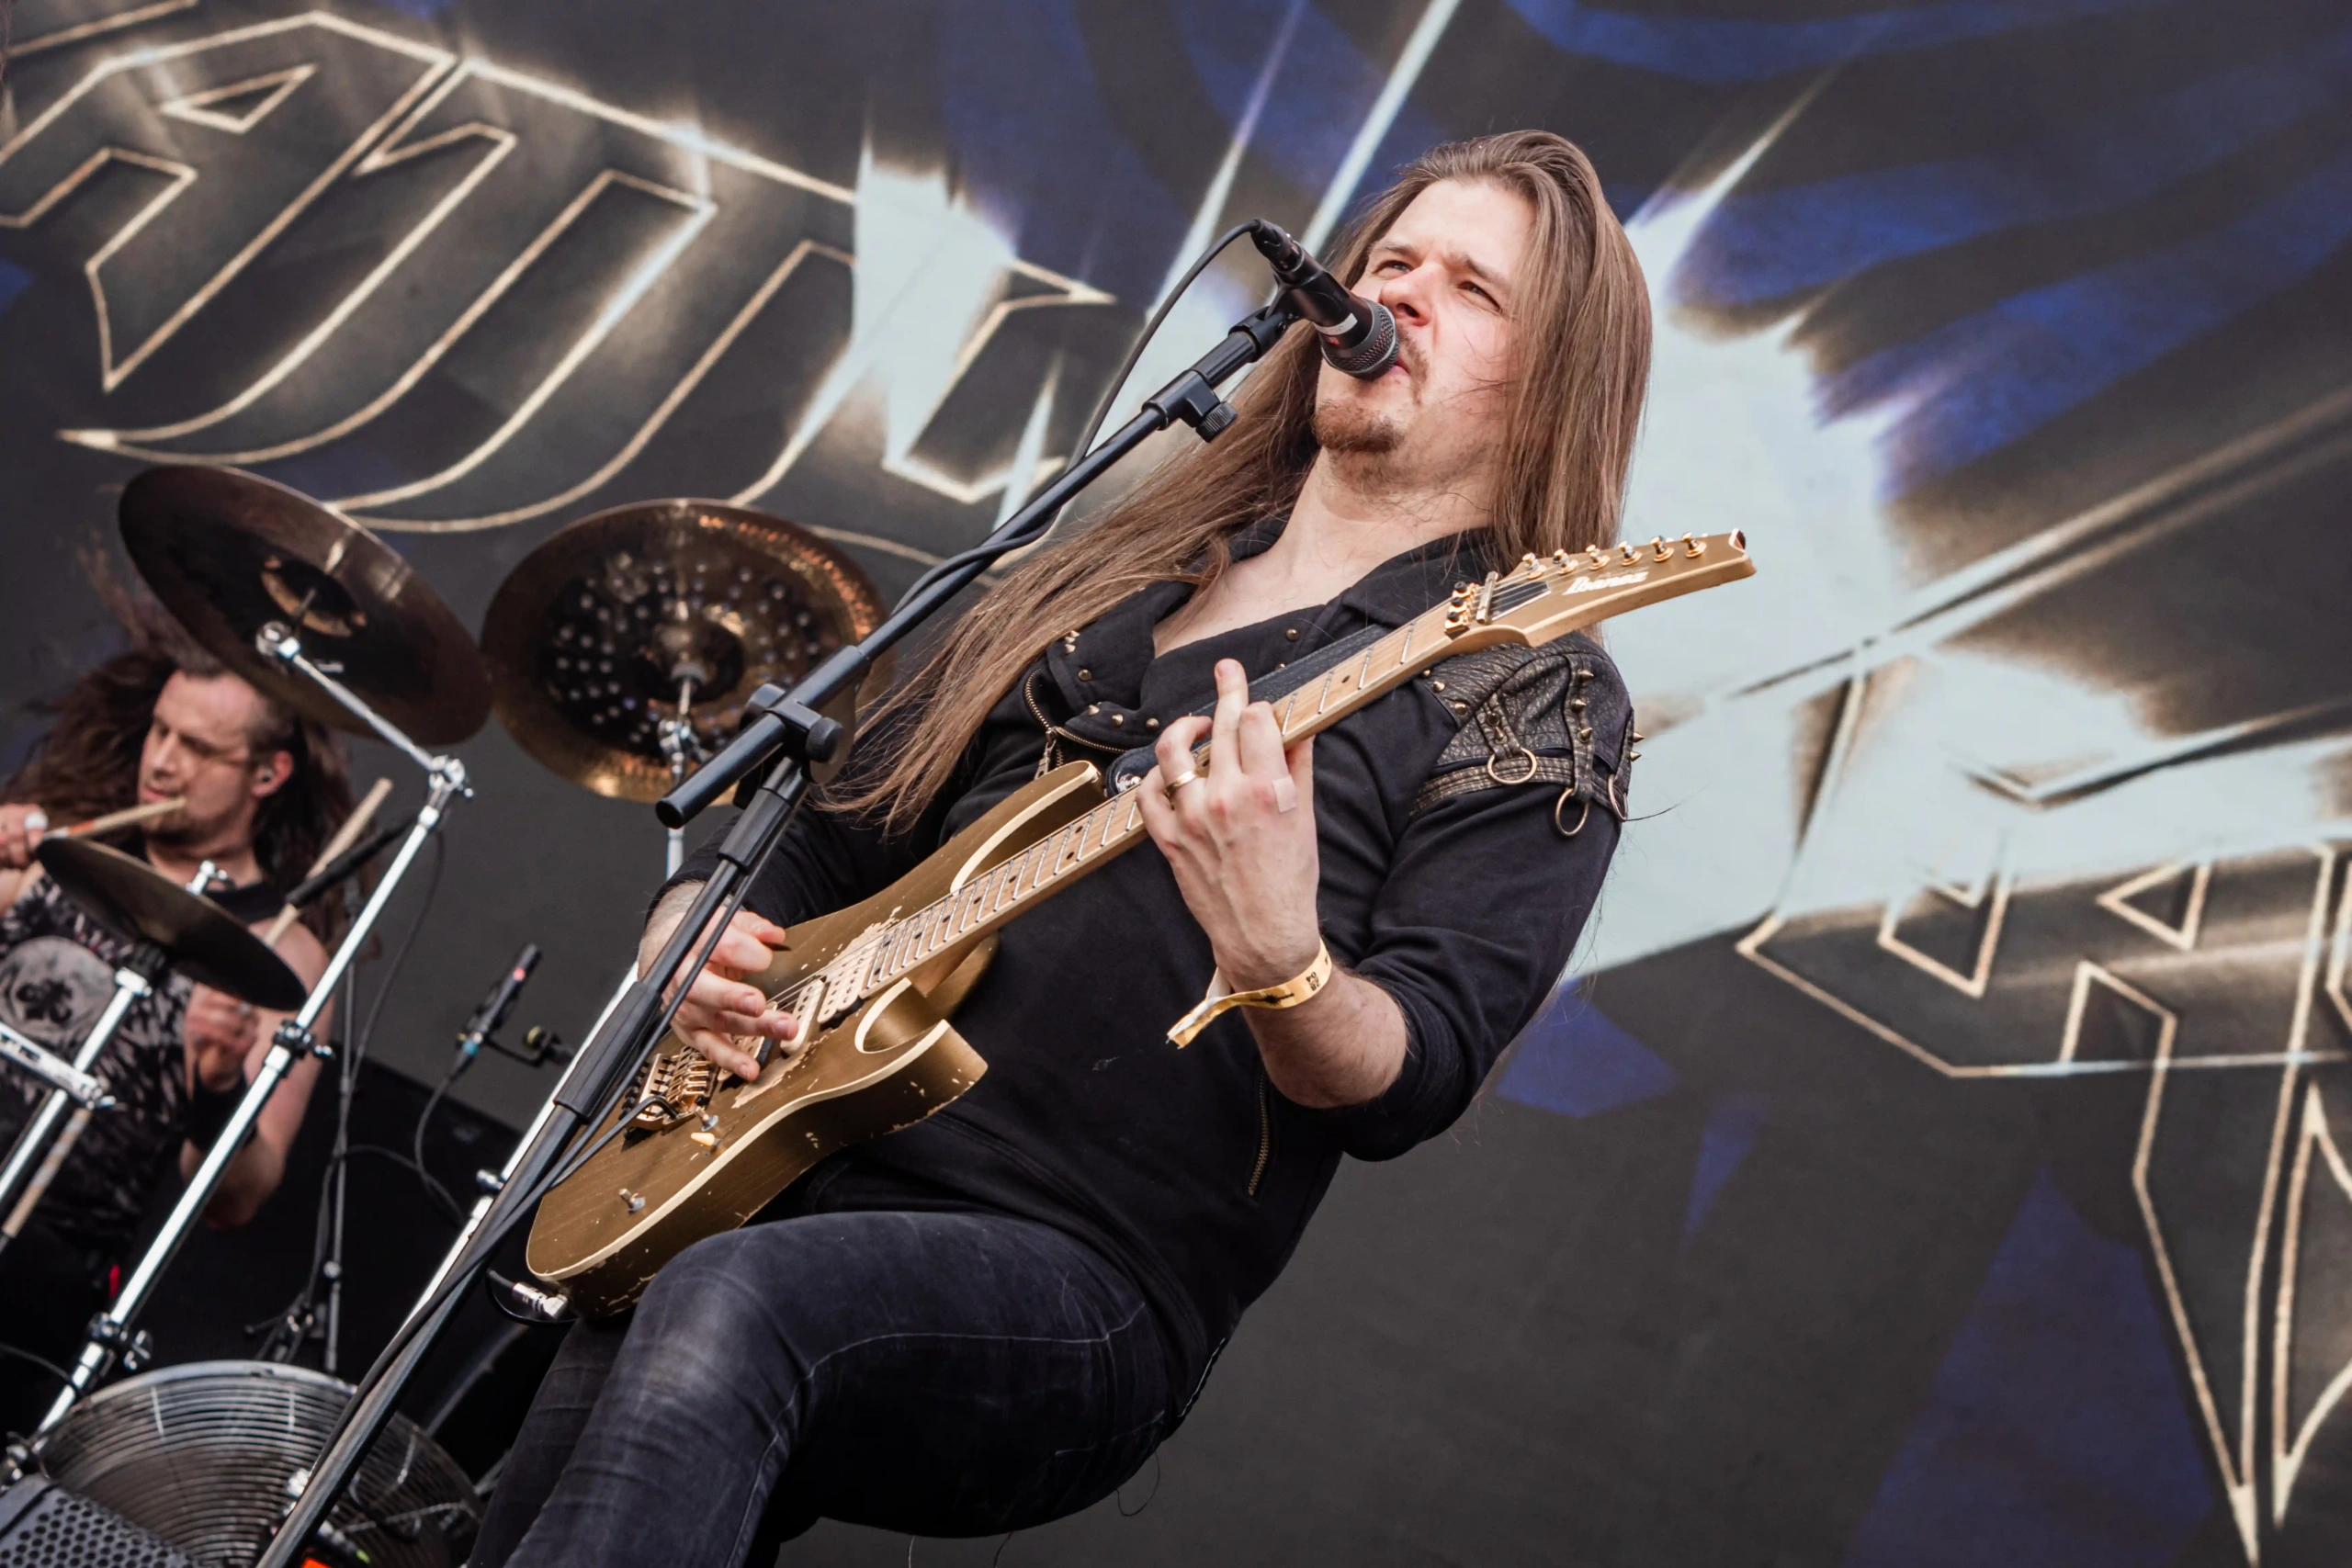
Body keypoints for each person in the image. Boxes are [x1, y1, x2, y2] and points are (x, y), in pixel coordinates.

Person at [474, 130, 1651, 1566]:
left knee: (734, 1305)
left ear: (1554, 390)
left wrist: (1280, 957)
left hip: (1079, 1274)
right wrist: (692, 934)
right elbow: (841, 819)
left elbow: (1415, 1072)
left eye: (1473, 289)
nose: (1399, 294)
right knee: (569, 1424)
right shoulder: (1114, 564)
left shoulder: (1526, 684)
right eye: (1391, 259)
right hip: (779, 1152)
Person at [0, 610, 348, 1433]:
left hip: (41, 1275)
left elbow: (238, 1197)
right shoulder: (53, 850)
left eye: (196, 747)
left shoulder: (284, 954)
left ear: (268, 773)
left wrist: (216, 1084)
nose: (160, 760)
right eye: (160, 730)